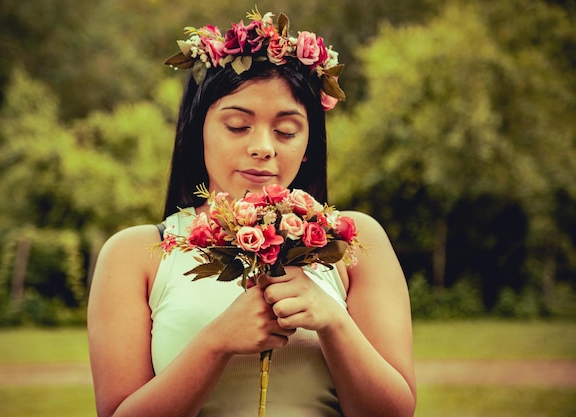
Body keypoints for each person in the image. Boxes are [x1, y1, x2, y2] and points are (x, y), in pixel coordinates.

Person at [87, 8, 416, 417]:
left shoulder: (354, 240)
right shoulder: (135, 253)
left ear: (309, 142)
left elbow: (395, 412)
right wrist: (217, 342)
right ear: (197, 131)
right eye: (238, 126)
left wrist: (334, 323)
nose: (263, 147)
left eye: (286, 131)